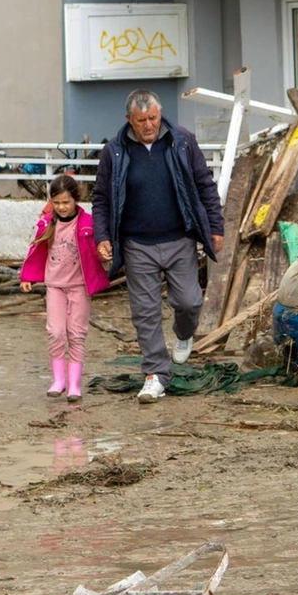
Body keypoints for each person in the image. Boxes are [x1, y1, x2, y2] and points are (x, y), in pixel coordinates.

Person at [92, 89, 225, 404]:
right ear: (129, 121)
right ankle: (155, 375)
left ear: (160, 113)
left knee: (189, 301)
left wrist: (215, 225)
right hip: (138, 244)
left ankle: (183, 333)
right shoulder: (115, 152)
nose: (149, 125)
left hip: (179, 238)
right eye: (141, 121)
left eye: (153, 118)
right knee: (145, 313)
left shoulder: (182, 141)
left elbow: (204, 184)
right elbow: (100, 199)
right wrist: (102, 236)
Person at [19, 174, 110, 402]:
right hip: (55, 286)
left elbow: (99, 252)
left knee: (76, 334)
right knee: (55, 332)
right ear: (51, 201)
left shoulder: (88, 223)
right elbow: (35, 251)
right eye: (57, 203)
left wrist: (104, 256)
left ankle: (74, 385)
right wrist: (27, 276)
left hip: (80, 286)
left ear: (76, 200)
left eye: (66, 202)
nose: (61, 207)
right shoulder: (46, 224)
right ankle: (58, 380)